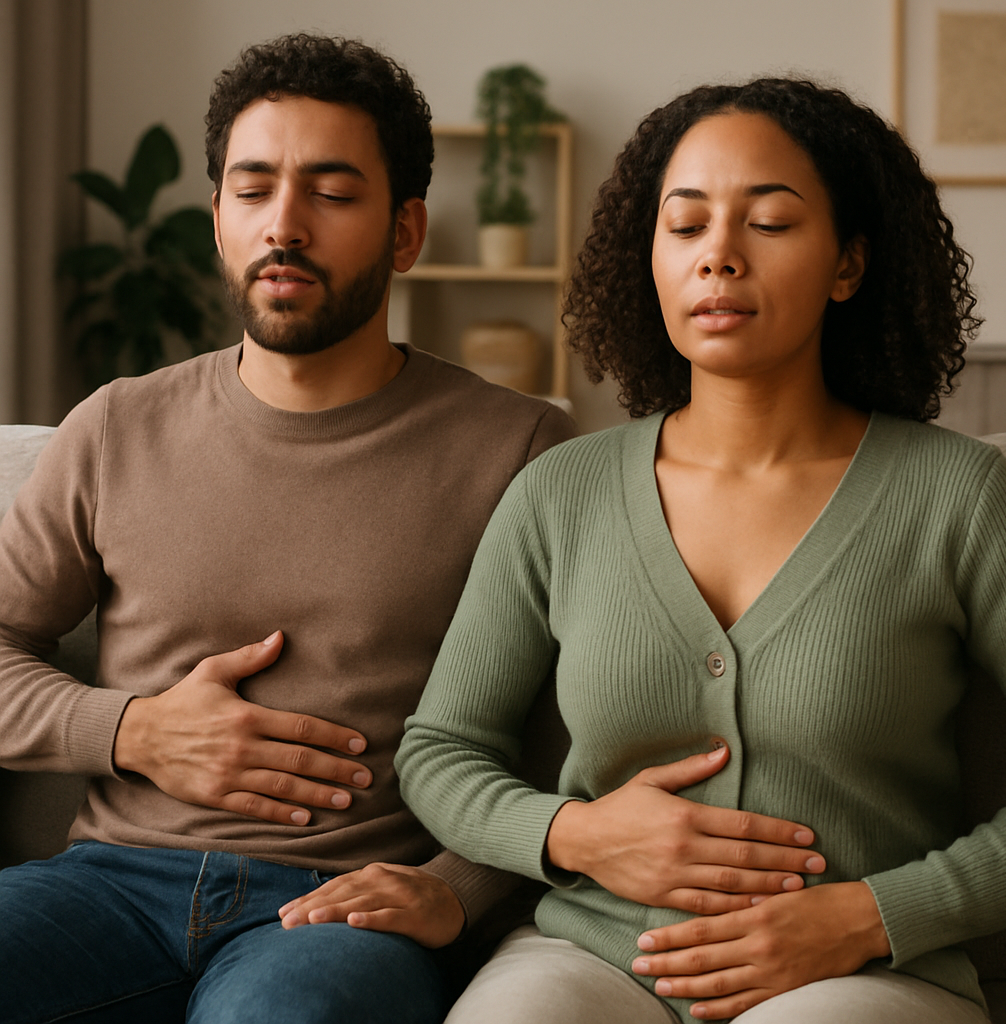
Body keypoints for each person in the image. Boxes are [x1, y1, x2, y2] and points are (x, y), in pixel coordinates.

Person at [396, 78, 1006, 1023]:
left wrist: (872, 915)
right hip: (591, 954)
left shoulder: (959, 497)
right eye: (684, 226)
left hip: (861, 976)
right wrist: (575, 834)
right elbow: (442, 748)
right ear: (647, 258)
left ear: (847, 264)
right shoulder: (560, 493)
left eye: (769, 224)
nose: (719, 257)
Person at [0, 33, 583, 1024]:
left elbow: (569, 740)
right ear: (219, 217)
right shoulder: (114, 426)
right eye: (253, 187)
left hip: (339, 906)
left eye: (332, 192)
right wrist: (132, 729)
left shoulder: (521, 448)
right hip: (105, 881)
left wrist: (456, 886)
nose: (285, 224)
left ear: (406, 232)